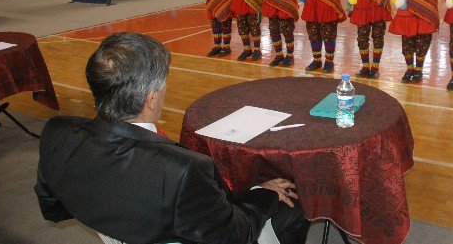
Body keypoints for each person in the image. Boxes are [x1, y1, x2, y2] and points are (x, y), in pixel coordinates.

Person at [35, 32, 310, 244]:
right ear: (151, 99)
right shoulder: (183, 170)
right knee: (296, 204)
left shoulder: (57, 133)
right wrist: (264, 193)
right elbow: (239, 235)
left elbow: (53, 209)